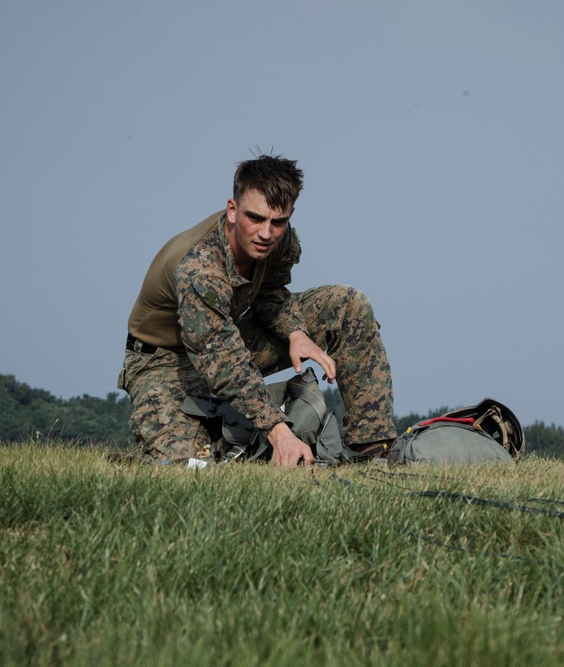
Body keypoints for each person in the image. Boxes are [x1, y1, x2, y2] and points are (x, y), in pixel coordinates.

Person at [118, 154, 396, 466]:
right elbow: (221, 360)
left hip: (229, 340)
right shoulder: (199, 267)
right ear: (232, 210)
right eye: (255, 218)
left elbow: (269, 290)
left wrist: (296, 332)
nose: (266, 233)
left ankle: (375, 451)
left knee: (347, 305)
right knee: (189, 466)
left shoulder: (279, 239)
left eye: (278, 221)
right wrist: (279, 433)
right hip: (165, 362)